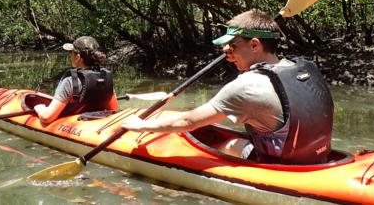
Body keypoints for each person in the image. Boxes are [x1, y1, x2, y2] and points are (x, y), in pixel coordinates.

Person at [123, 9, 333, 164]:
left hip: (281, 164)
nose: (226, 51)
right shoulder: (302, 68)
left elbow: (187, 121)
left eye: (232, 45)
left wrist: (140, 126)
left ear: (254, 45)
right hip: (317, 156)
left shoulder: (247, 86)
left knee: (223, 146)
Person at [34, 36, 118, 125]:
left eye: (72, 53)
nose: (70, 56)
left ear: (78, 57)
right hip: (97, 125)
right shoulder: (105, 76)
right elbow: (115, 110)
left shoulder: (70, 81)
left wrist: (40, 109)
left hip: (77, 127)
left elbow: (47, 118)